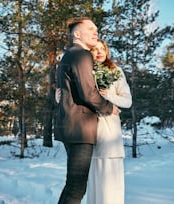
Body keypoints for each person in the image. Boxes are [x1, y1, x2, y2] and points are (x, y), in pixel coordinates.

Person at [55, 17, 120, 204]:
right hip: (79, 129)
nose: (95, 32)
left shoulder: (69, 55)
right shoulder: (82, 55)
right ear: (77, 34)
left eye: (96, 30)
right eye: (90, 29)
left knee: (73, 185)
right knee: (76, 187)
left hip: (71, 126)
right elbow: (88, 93)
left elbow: (69, 90)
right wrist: (109, 107)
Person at [86, 39, 132, 204]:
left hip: (109, 134)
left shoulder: (115, 71)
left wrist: (108, 96)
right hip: (88, 134)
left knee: (110, 186)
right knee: (93, 186)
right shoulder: (85, 72)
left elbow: (127, 101)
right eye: (94, 49)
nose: (99, 52)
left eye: (102, 48)